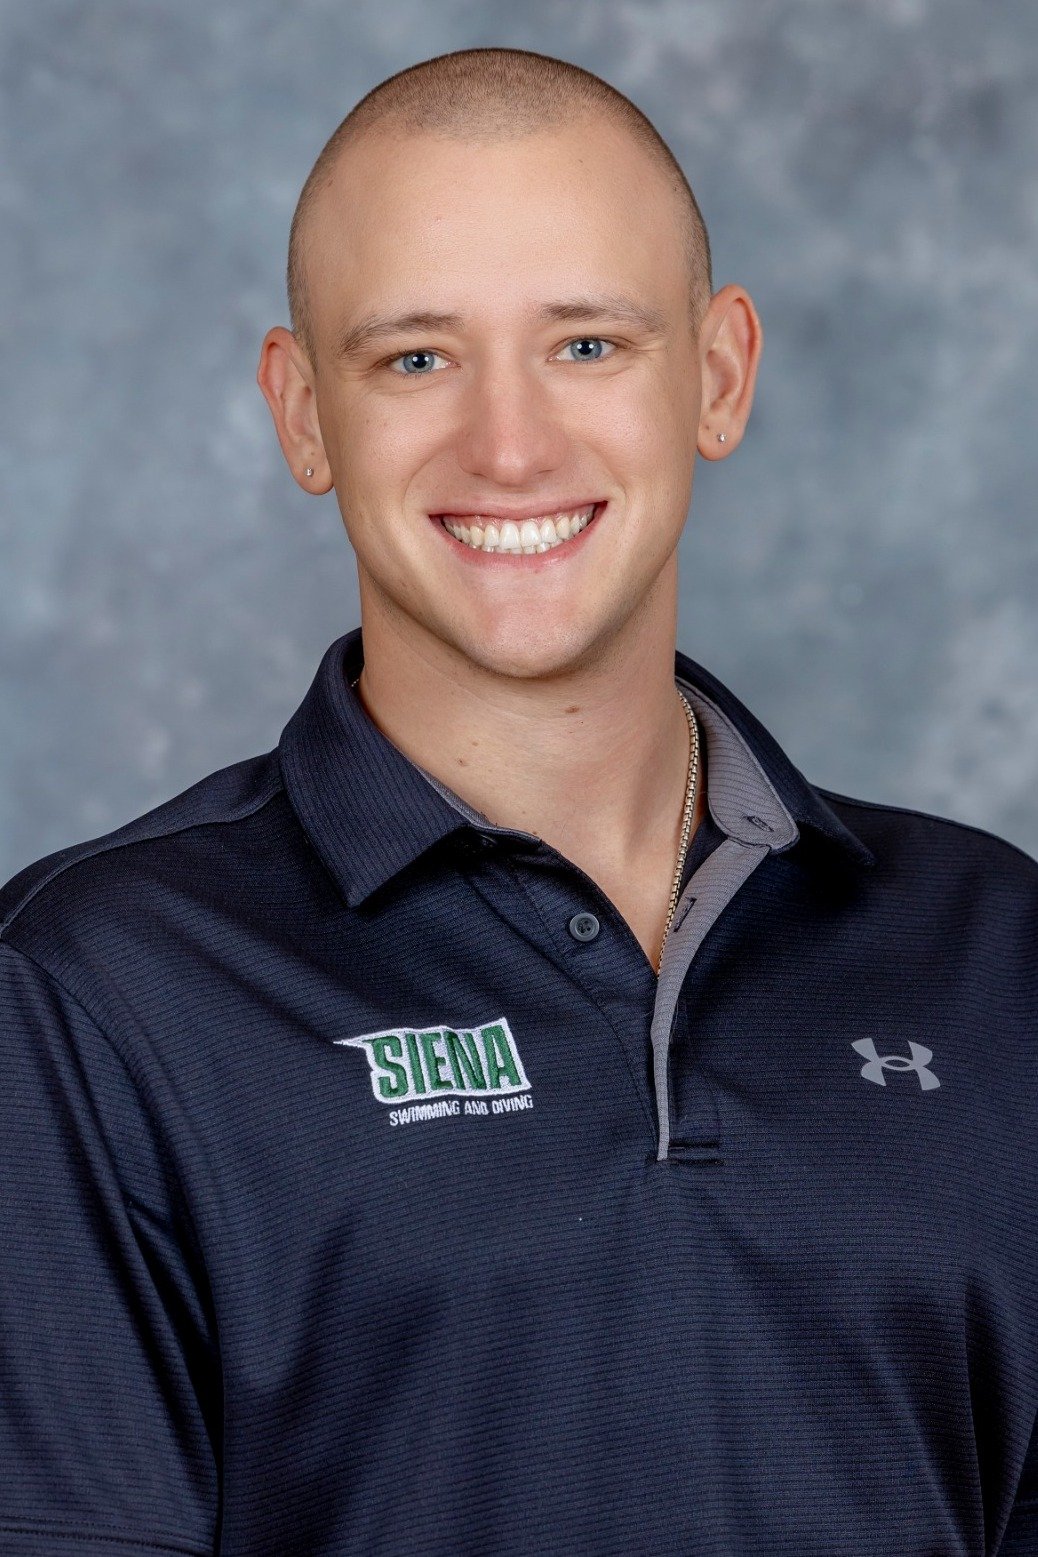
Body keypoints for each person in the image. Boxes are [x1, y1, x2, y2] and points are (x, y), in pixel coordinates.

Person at [1, 45, 1036, 1557]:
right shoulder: (94, 994)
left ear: (720, 373)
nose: (508, 446)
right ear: (300, 413)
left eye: (587, 346)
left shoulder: (993, 949)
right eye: (415, 358)